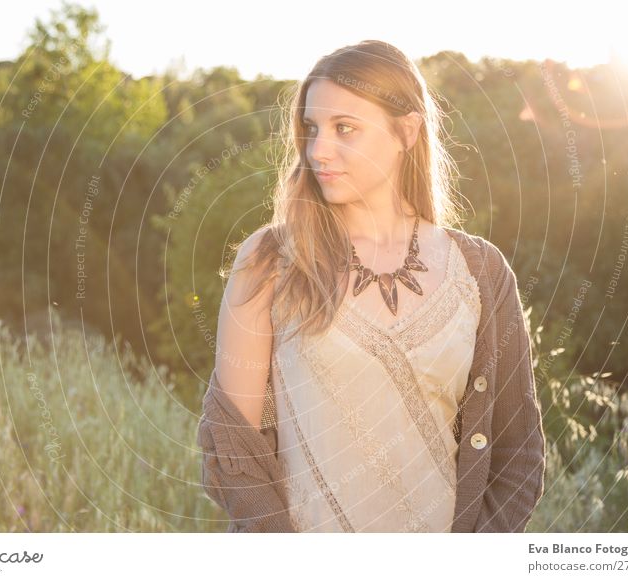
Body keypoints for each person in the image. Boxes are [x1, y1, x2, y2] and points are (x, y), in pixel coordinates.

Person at [196, 39, 545, 532]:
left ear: (406, 131)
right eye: (312, 129)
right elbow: (233, 446)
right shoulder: (270, 260)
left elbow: (517, 455)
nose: (318, 150)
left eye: (345, 129)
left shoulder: (481, 272)